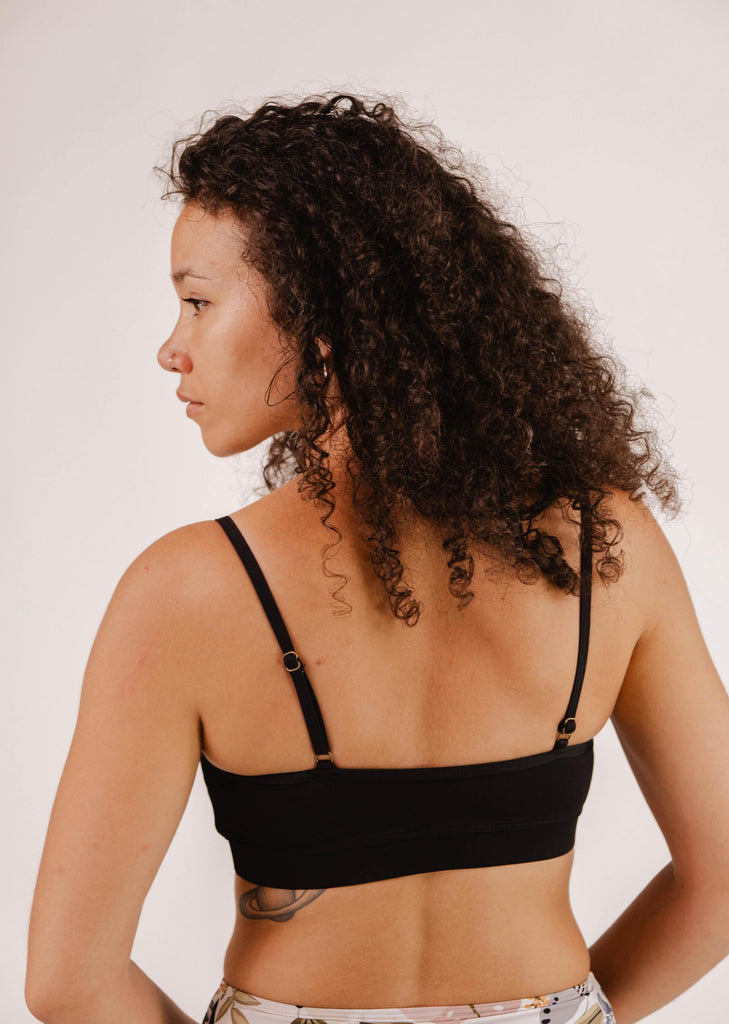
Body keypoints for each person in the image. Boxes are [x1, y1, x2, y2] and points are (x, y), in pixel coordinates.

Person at [25, 92, 729, 1024]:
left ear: (321, 318)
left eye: (197, 302)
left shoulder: (188, 591)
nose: (172, 349)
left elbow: (69, 982)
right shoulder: (607, 551)